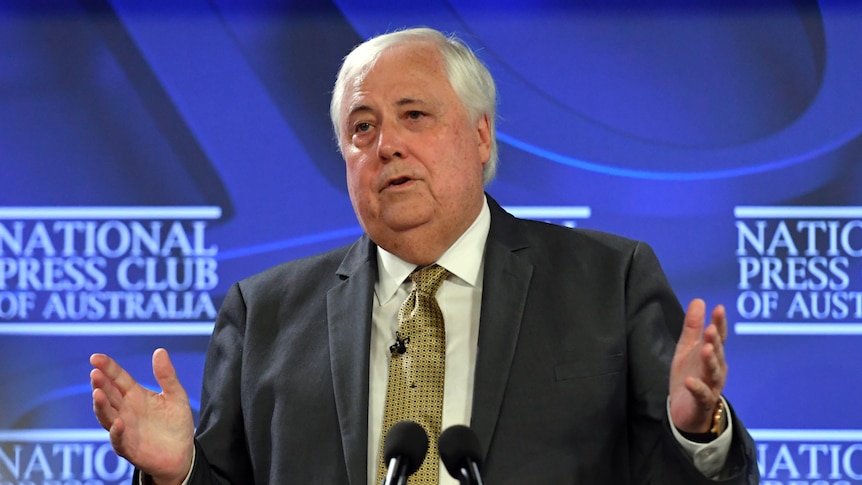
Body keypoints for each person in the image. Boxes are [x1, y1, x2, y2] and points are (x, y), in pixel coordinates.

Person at [90, 27, 759, 484]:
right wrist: (177, 471)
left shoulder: (609, 283)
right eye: (362, 127)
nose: (386, 145)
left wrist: (698, 436)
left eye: (414, 115)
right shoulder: (262, 314)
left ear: (480, 136)